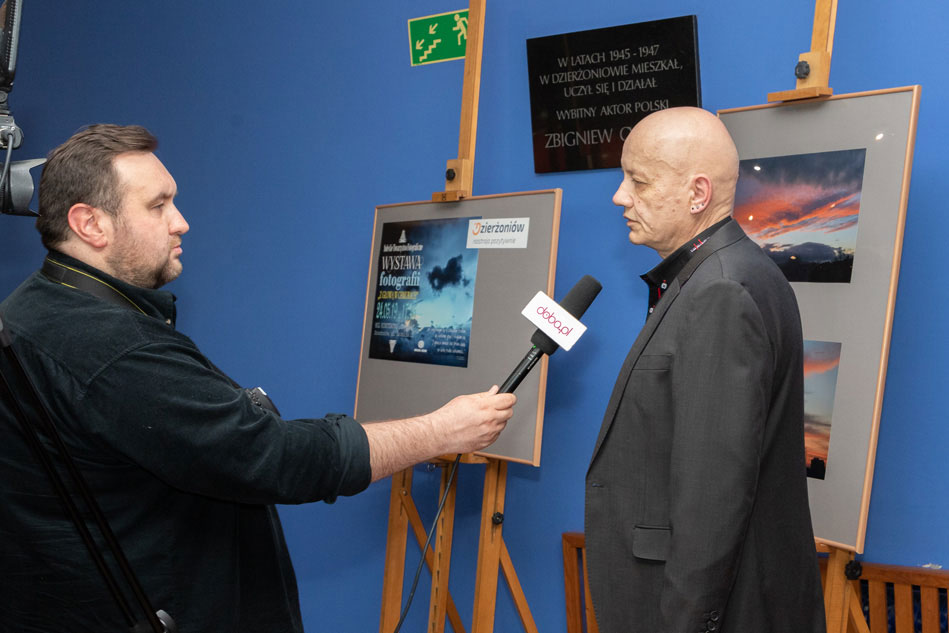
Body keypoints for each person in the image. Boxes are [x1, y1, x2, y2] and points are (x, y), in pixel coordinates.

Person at [0, 124, 516, 632]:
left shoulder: (29, 309)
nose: (181, 222)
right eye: (157, 206)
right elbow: (276, 458)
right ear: (90, 224)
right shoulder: (114, 349)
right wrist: (441, 431)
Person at [585, 107, 825, 633]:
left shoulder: (720, 291)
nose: (620, 197)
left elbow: (712, 500)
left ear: (698, 194)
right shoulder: (727, 274)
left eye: (638, 181)